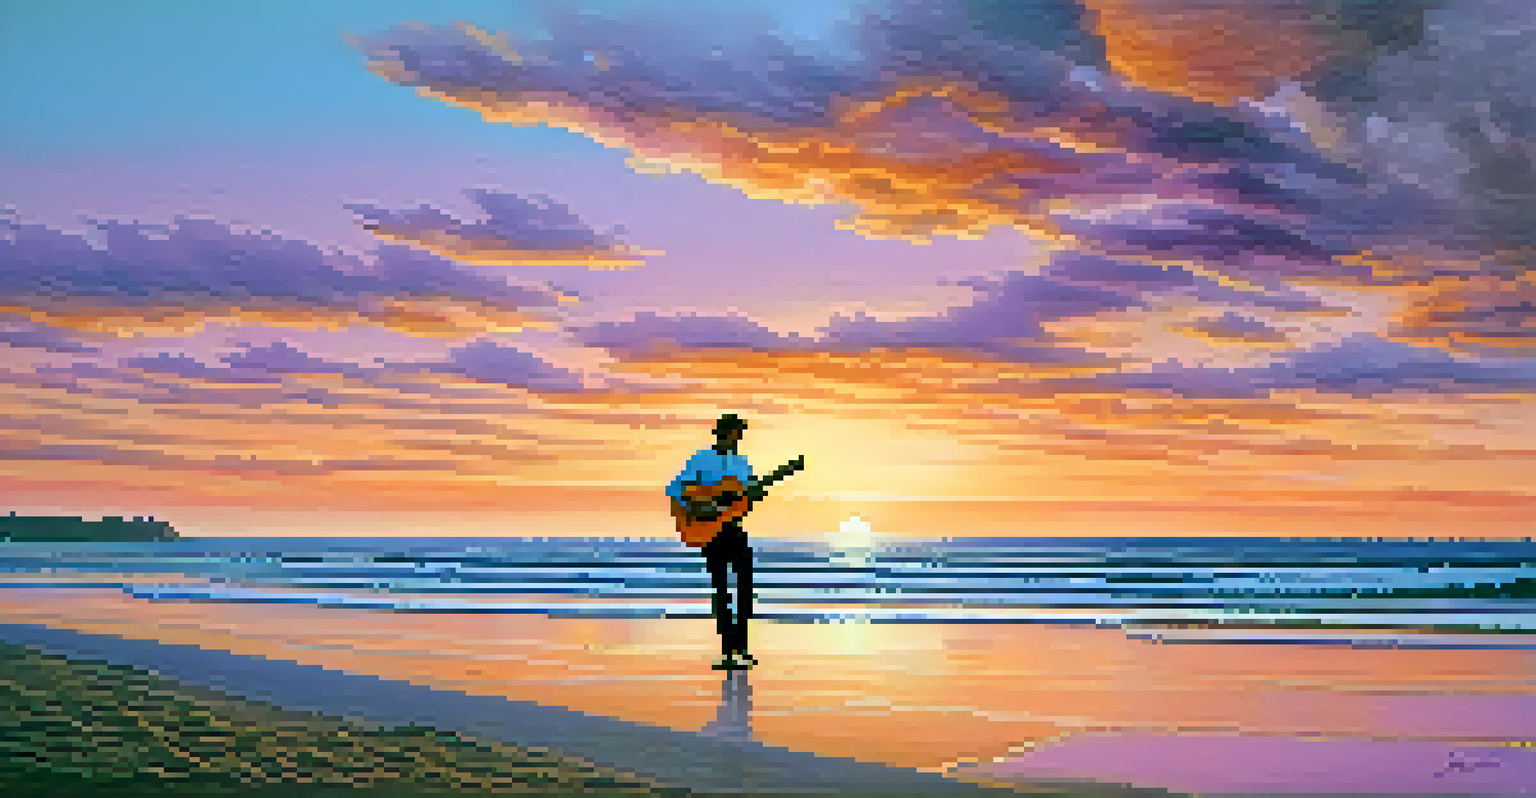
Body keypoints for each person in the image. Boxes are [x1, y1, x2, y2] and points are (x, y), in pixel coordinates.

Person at [666, 413, 758, 670]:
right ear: (724, 433)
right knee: (721, 589)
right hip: (710, 532)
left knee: (745, 586)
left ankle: (742, 646)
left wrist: (750, 496)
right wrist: (703, 506)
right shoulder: (701, 459)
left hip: (734, 529)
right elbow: (675, 490)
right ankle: (727, 651)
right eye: (736, 432)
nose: (738, 437)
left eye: (740, 433)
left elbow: (746, 500)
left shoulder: (742, 463)